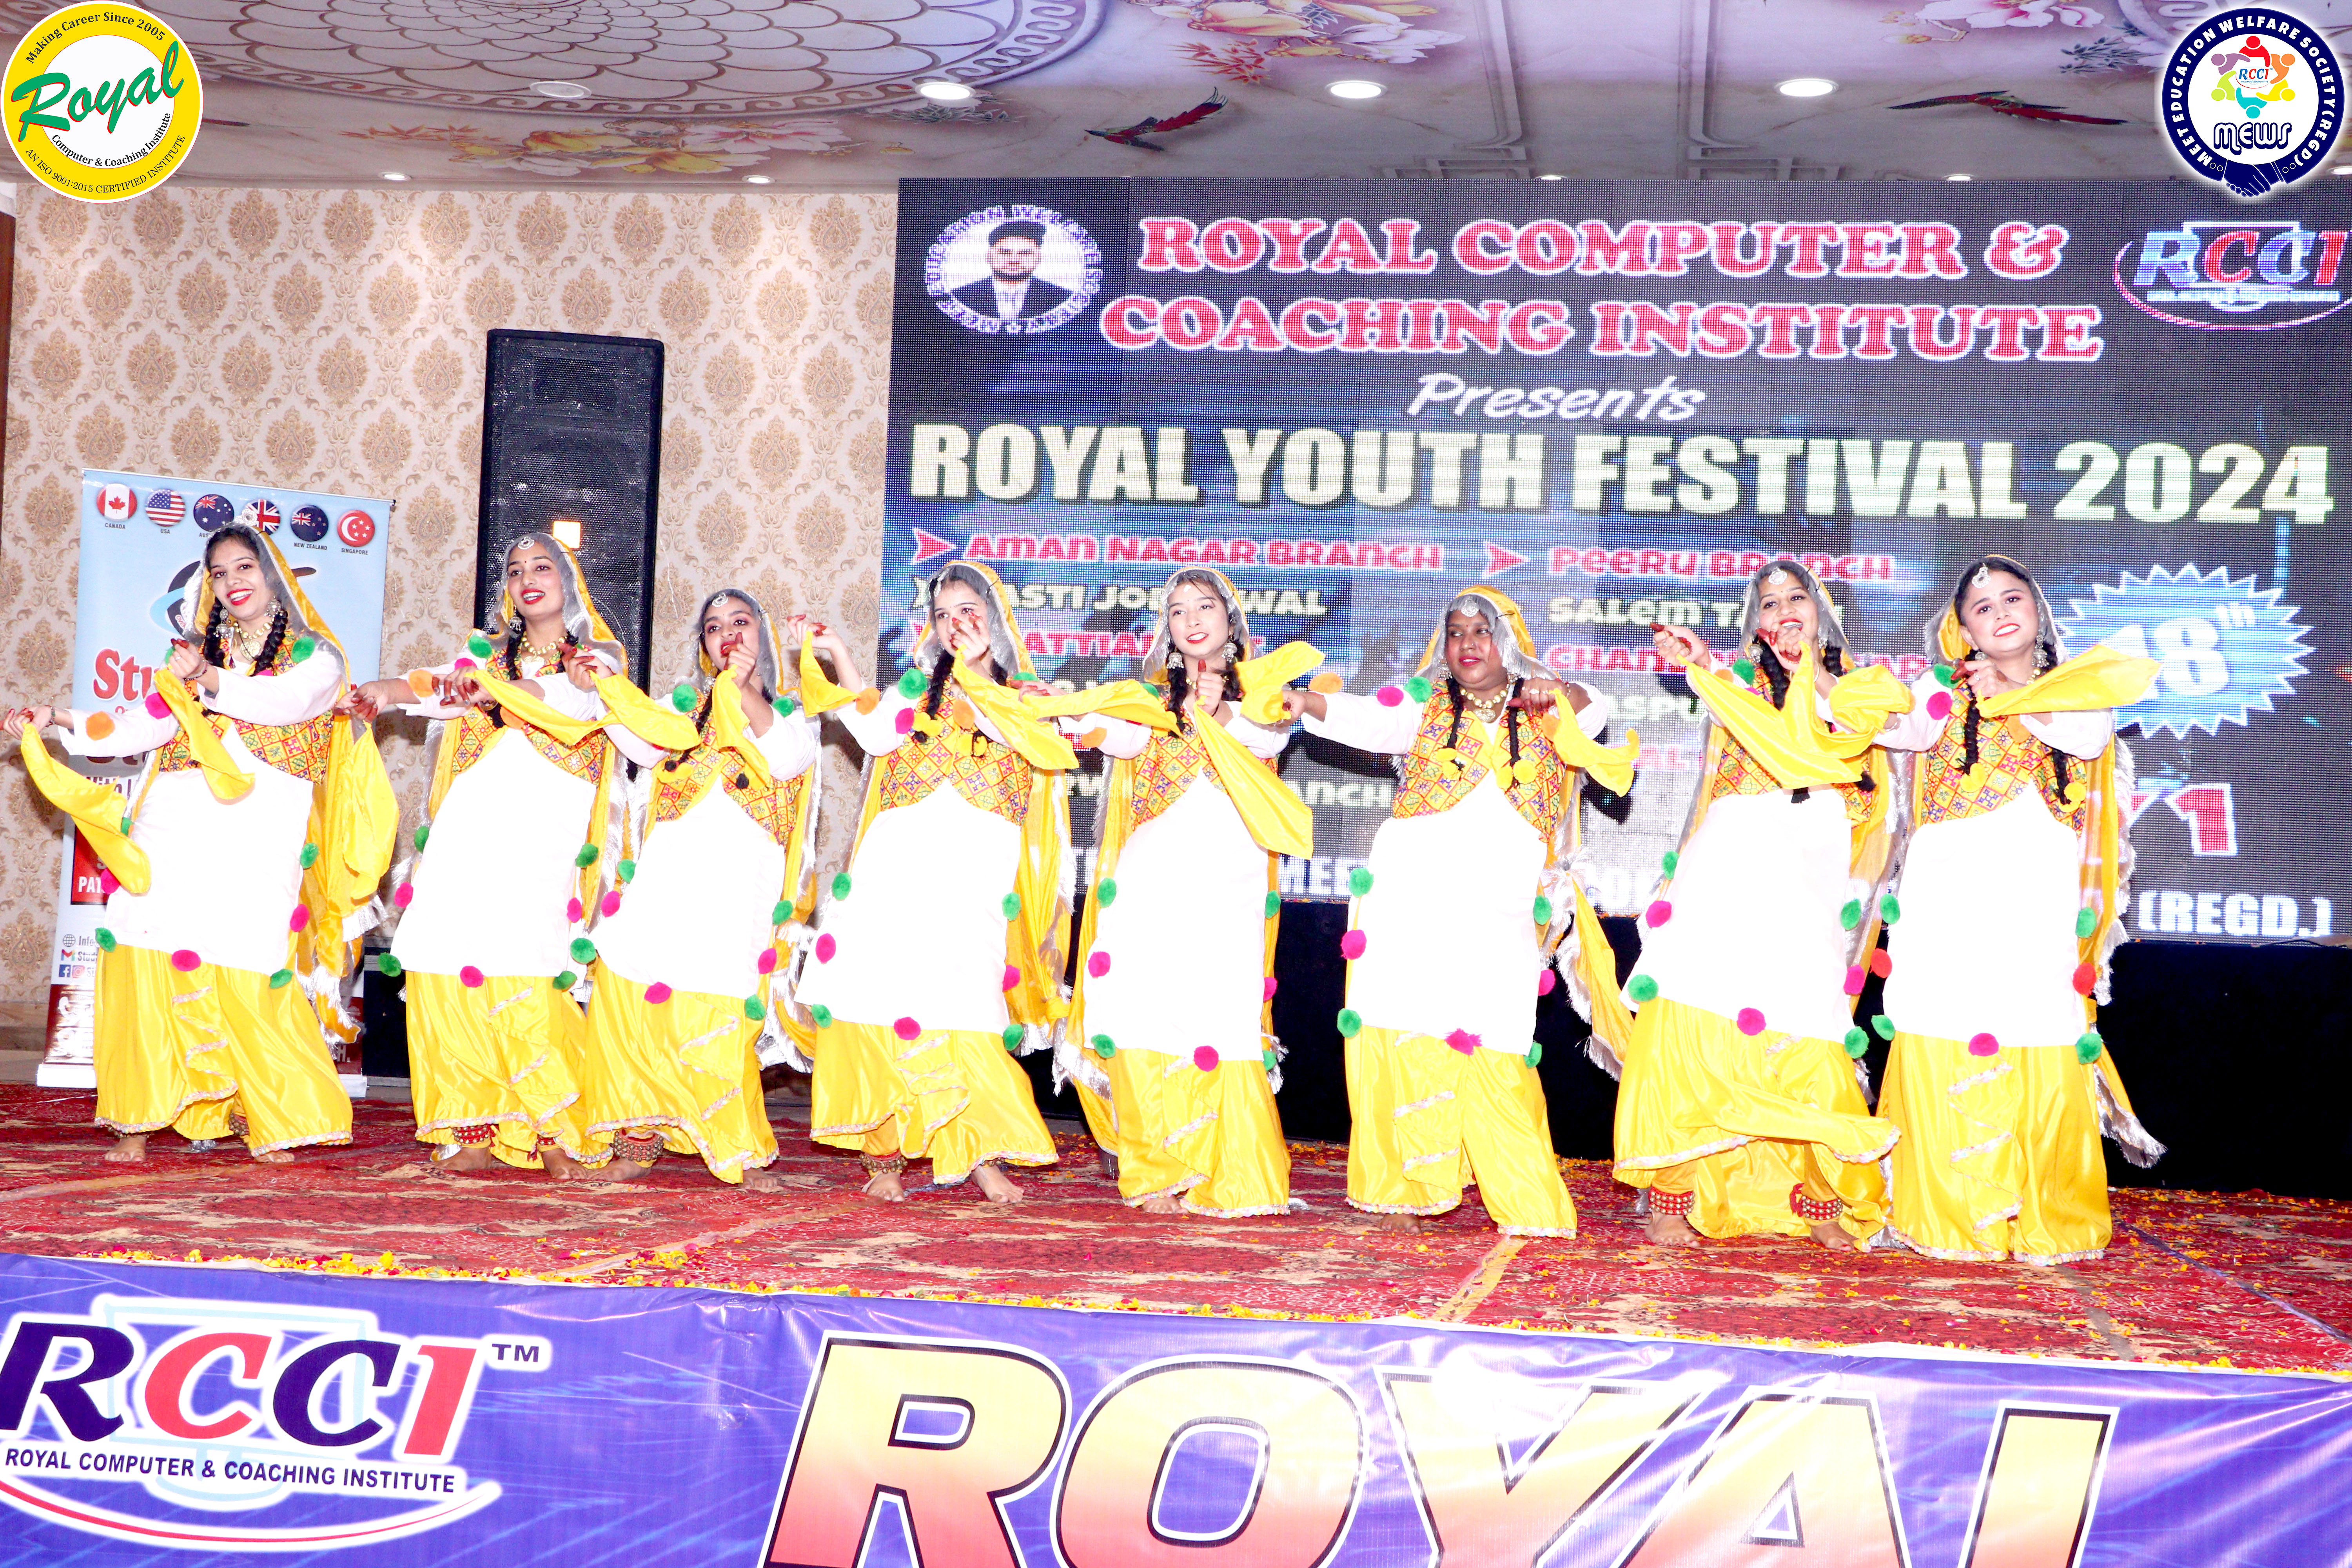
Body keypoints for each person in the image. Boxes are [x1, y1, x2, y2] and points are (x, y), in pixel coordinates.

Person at [6, 523, 392, 1163]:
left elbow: (284, 704)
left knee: (249, 960)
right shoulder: (192, 661)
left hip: (259, 826)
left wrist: (209, 678)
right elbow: (138, 725)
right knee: (146, 945)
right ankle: (137, 1118)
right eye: (219, 573)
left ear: (273, 576)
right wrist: (59, 719)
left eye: (245, 567)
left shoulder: (316, 657)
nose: (233, 582)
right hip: (175, 819)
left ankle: (269, 1116)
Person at [1283, 585, 1631, 1237]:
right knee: (1407, 1023)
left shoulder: (1547, 706)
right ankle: (1405, 1192)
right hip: (1411, 892)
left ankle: (1525, 1202)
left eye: (1482, 630)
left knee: (1497, 1035)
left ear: (1509, 641)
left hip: (1500, 902)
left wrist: (1554, 691)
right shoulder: (1427, 704)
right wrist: (1305, 702)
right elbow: (1368, 714)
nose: (1468, 643)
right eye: (1456, 632)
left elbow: (1596, 709)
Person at [1609, 559, 1908, 1250]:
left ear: (1821, 610)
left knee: (1805, 1014)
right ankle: (1673, 1193)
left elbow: (1888, 725)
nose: (1782, 611)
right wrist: (1700, 659)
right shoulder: (1740, 678)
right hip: (1734, 847)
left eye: (1796, 597)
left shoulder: (1858, 681)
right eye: (1768, 604)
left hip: (1811, 853)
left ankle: (1820, 1196)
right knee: (1694, 1003)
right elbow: (1718, 681)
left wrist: (1815, 670)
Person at [1873, 555, 2164, 1263]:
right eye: (1982, 608)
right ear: (1963, 630)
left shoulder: (2079, 690)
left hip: (2036, 900)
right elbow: (1888, 726)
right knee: (1944, 1019)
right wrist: (1817, 681)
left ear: (2038, 610)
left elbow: (2086, 738)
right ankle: (1949, 1215)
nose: (2000, 612)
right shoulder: (1941, 691)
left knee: (2037, 1026)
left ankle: (2043, 1217)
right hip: (1947, 900)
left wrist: (2010, 689)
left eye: (2012, 598)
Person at [347, 533, 630, 1178]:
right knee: (446, 965)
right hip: (469, 827)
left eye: (542, 567)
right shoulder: (484, 659)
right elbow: (436, 690)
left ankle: (557, 1136)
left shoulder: (597, 657)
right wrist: (384, 692)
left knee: (526, 970)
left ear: (568, 582)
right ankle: (470, 1134)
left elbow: (562, 700)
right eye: (515, 569)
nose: (528, 578)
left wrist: (490, 689)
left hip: (541, 828)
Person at [792, 560, 1071, 1203]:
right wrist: (837, 655)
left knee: (967, 1004)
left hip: (974, 871)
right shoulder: (916, 692)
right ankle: (885, 1158)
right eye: (943, 615)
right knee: (879, 997)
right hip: (897, 866)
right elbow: (871, 730)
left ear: (996, 619)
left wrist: (980, 678)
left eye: (968, 610)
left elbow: (1027, 741)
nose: (955, 624)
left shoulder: (1029, 695)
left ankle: (979, 1154)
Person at [1063, 568, 1314, 1216]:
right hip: (1152, 877)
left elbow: (1265, 736)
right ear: (1168, 629)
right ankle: (1157, 1172)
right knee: (1142, 1009)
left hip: (1228, 878)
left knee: (1221, 1014)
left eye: (1204, 606)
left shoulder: (1263, 694)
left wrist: (1217, 704)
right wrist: (1067, 712)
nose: (1192, 619)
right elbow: (1115, 731)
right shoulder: (1152, 700)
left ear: (1230, 620)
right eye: (1178, 611)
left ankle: (1234, 1176)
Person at [583, 589, 826, 1191]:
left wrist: (739, 690)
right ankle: (638, 1140)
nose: (728, 634)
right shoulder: (681, 709)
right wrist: (604, 686)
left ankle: (736, 1150)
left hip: (738, 881)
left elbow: (788, 759)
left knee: (717, 1002)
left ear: (763, 638)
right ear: (703, 644)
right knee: (629, 985)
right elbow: (639, 740)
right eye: (715, 627)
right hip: (668, 874)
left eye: (740, 622)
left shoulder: (794, 712)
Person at [948, 220, 1072, 323]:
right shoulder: (962, 297)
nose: (1014, 260)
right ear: (989, 256)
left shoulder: (1061, 298)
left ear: (1039, 257)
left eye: (1025, 253)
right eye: (1004, 252)